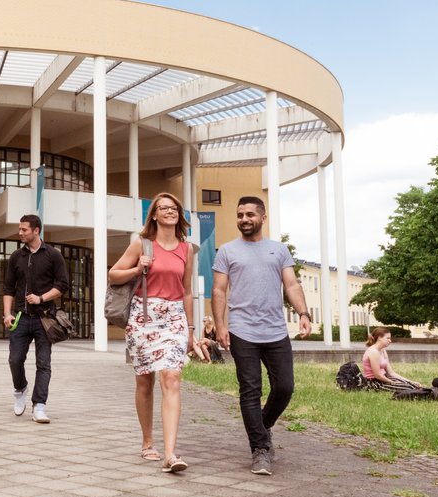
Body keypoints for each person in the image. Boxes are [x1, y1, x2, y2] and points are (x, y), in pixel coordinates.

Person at [212, 196, 312, 476]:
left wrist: (303, 313)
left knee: (285, 388)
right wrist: (220, 325)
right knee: (250, 390)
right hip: (242, 330)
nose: (244, 219)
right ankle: (259, 449)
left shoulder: (279, 250)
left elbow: (291, 284)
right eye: (240, 214)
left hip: (276, 330)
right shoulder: (227, 251)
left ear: (262, 218)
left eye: (249, 215)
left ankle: (262, 426)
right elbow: (219, 290)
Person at [109, 193, 195, 473]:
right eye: (163, 208)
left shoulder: (187, 249)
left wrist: (191, 330)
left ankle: (171, 454)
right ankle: (148, 442)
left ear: (179, 215)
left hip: (174, 318)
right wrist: (137, 267)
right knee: (144, 381)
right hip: (144, 316)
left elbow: (187, 292)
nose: (169, 211)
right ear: (154, 215)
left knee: (171, 377)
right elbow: (113, 274)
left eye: (174, 208)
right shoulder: (142, 244)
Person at [2, 214, 70, 424]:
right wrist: (7, 314)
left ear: (36, 230)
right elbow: (8, 288)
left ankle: (39, 406)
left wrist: (41, 297)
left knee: (44, 364)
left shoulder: (53, 255)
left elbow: (62, 285)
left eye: (24, 229)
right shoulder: (16, 256)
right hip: (20, 317)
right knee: (15, 359)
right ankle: (20, 388)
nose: (20, 233)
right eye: (20, 229)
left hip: (44, 318)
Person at [361, 327, 425, 392]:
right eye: (388, 338)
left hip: (384, 378)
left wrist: (411, 381)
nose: (390, 341)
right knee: (409, 388)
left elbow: (391, 373)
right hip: (375, 382)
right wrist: (392, 382)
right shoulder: (373, 352)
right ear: (379, 337)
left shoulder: (383, 350)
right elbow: (377, 375)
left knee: (414, 385)